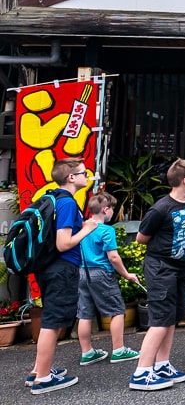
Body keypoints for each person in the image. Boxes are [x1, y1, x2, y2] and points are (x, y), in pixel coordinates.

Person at [129, 159, 185, 392]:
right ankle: (141, 372)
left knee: (172, 317)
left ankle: (162, 365)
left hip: (182, 267)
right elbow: (141, 238)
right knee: (160, 319)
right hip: (161, 268)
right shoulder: (160, 208)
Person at [27, 158, 98, 395]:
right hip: (62, 267)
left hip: (47, 267)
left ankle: (38, 371)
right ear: (71, 177)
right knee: (53, 321)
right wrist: (87, 229)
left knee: (50, 317)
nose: (87, 177)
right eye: (84, 173)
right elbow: (63, 243)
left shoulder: (52, 197)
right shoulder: (67, 203)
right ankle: (44, 379)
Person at [77, 191, 141, 366]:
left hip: (83, 272)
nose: (113, 212)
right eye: (112, 208)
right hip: (102, 273)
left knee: (85, 313)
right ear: (105, 209)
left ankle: (87, 352)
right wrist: (126, 274)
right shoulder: (106, 230)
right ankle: (119, 350)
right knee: (117, 310)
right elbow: (113, 257)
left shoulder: (82, 227)